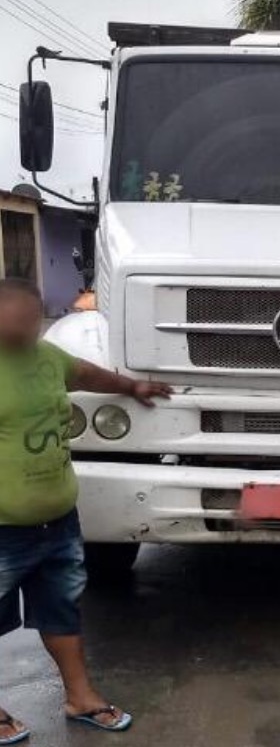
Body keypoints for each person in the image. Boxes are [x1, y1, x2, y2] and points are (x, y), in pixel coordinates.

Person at [0, 278, 171, 743]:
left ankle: (81, 697)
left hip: (55, 523)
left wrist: (132, 385)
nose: (21, 336)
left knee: (61, 612)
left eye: (28, 326)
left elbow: (85, 374)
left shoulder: (46, 359)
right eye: (10, 329)